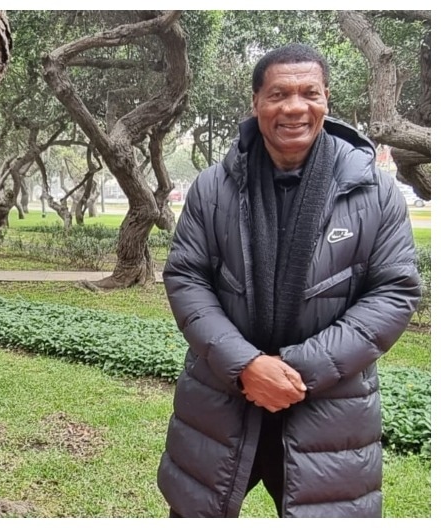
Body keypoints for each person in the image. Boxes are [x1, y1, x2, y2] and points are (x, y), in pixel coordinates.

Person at [156, 44, 420, 518]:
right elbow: (187, 277)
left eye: (308, 93)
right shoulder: (213, 187)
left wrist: (299, 370)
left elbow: (394, 291)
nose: (294, 107)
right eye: (278, 94)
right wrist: (247, 366)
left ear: (326, 100)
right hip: (222, 400)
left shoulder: (374, 190)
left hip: (329, 408)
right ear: (256, 101)